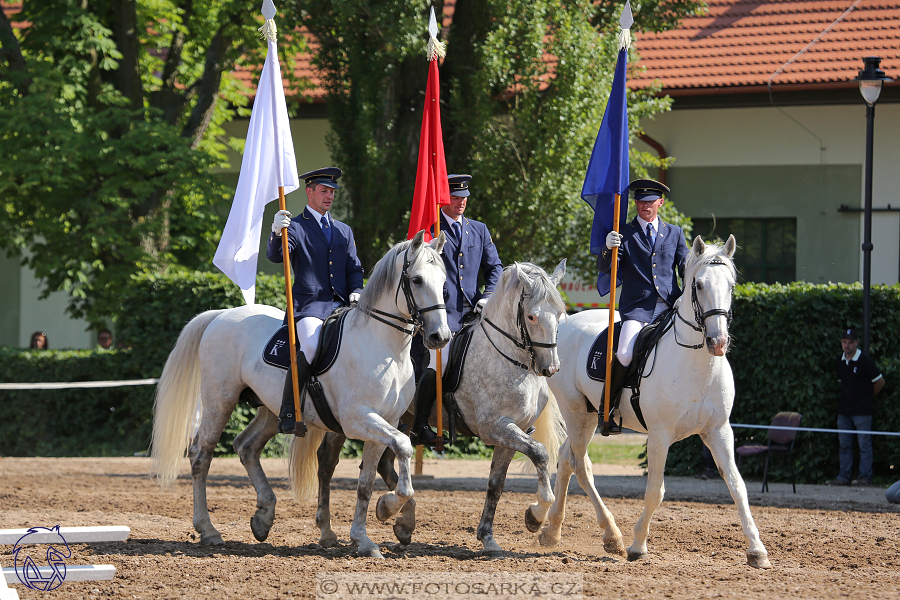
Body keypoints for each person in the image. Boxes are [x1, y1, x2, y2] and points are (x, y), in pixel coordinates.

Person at [267, 167, 365, 435]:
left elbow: (354, 268)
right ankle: (289, 409)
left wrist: (357, 289)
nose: (329, 196)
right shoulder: (295, 227)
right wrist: (277, 232)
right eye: (324, 191)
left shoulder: (343, 230)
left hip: (344, 305)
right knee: (310, 346)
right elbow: (278, 257)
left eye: (332, 191)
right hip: (309, 306)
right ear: (309, 192)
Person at [410, 174, 503, 446]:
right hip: (442, 315)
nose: (461, 202)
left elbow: (494, 268)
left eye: (464, 197)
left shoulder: (479, 229)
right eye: (455, 197)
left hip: (476, 313)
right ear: (443, 199)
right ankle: (418, 426)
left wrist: (487, 296)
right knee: (438, 361)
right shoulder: (430, 229)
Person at [598, 179, 689, 434]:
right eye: (640, 202)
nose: (644, 206)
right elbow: (606, 269)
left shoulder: (675, 233)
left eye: (649, 202)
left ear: (660, 202)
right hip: (638, 309)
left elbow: (684, 267)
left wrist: (687, 292)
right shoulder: (625, 233)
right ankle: (609, 410)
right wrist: (608, 249)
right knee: (625, 354)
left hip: (671, 307)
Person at [826, 328, 885, 487]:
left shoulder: (865, 360)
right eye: (844, 342)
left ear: (856, 343)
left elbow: (879, 381)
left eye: (850, 342)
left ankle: (865, 477)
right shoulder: (839, 361)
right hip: (844, 410)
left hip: (862, 411)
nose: (847, 345)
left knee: (864, 444)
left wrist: (867, 398)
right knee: (844, 444)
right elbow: (842, 382)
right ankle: (843, 476)